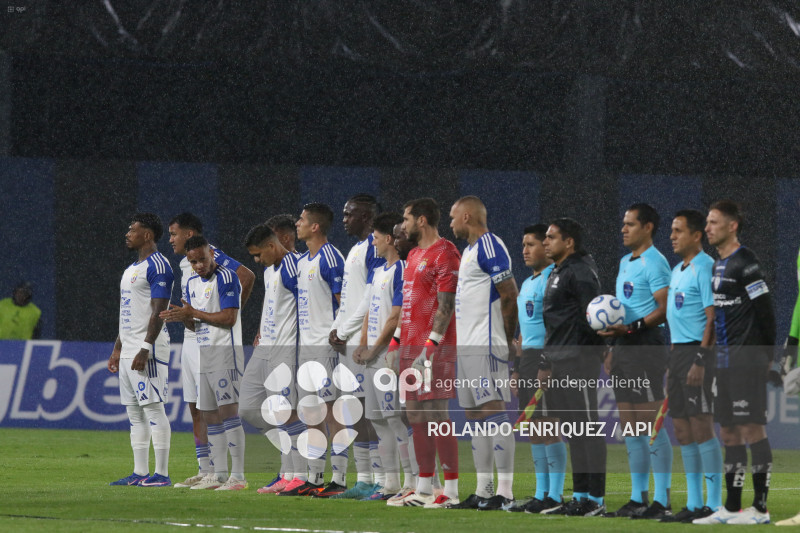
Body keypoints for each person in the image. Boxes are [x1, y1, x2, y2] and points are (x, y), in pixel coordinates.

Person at [693, 200, 776, 525]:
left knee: (751, 428)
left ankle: (761, 508)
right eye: (707, 223)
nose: (708, 228)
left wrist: (766, 357)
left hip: (747, 361)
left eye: (713, 223)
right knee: (728, 433)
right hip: (724, 364)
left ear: (732, 226)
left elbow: (766, 313)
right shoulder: (717, 265)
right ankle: (731, 507)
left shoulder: (747, 263)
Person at [166, 212, 254, 489]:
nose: (198, 264)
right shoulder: (190, 278)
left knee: (227, 412)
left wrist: (221, 312)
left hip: (223, 351)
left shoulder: (225, 275)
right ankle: (213, 473)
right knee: (206, 413)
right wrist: (185, 316)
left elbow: (230, 314)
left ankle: (237, 475)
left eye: (173, 233)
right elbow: (194, 322)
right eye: (194, 261)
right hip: (200, 348)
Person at [445, 196, 518, 511]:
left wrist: (508, 336)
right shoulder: (470, 251)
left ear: (467, 215)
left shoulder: (490, 245)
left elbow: (509, 293)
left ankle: (505, 493)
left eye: (452, 217)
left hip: (487, 343)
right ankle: (483, 490)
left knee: (493, 410)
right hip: (468, 347)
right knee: (475, 416)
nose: (450, 224)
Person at [599, 203, 672, 519]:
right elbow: (622, 310)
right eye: (623, 224)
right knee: (630, 424)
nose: (623, 229)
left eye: (630, 224)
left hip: (647, 347)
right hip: (626, 348)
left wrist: (632, 329)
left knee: (649, 420)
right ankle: (637, 497)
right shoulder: (625, 262)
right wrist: (614, 345)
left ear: (648, 227)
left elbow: (665, 308)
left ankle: (662, 498)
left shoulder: (656, 263)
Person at [394, 197, 461, 508]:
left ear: (421, 220)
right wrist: (395, 345)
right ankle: (424, 489)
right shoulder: (414, 255)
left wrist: (430, 347)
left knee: (437, 416)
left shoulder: (446, 253)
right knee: (415, 415)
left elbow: (446, 305)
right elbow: (407, 305)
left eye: (406, 219)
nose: (403, 226)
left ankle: (451, 490)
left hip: (435, 350)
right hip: (409, 348)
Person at [539, 218, 606, 516]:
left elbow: (595, 319)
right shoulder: (559, 270)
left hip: (579, 362)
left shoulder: (580, 271)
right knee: (575, 431)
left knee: (587, 429)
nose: (545, 242)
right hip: (560, 362)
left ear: (569, 242)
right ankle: (580, 495)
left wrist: (593, 356)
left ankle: (597, 499)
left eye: (551, 237)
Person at [659, 210, 722, 523]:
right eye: (671, 230)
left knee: (701, 425)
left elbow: (712, 317)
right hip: (679, 354)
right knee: (682, 430)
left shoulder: (705, 267)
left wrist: (700, 359)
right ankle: (694, 503)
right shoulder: (676, 270)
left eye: (678, 230)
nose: (672, 236)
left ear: (696, 235)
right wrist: (673, 361)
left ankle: (714, 503)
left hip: (699, 354)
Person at [108, 213, 174, 487]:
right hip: (128, 349)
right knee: (135, 412)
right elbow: (128, 313)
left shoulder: (159, 265)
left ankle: (161, 474)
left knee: (153, 408)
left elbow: (160, 309)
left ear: (147, 235)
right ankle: (140, 472)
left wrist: (145, 348)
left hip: (149, 348)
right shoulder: (130, 269)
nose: (128, 233)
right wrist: (117, 349)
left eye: (133, 229)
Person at [287, 202, 346, 497]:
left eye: (301, 219)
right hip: (305, 348)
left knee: (333, 414)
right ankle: (314, 478)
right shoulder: (301, 262)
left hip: (326, 348)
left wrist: (340, 334)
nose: (297, 223)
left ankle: (340, 479)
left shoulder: (331, 257)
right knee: (310, 414)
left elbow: (342, 300)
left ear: (315, 226)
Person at [328, 194, 386, 499]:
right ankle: (364, 478)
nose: (345, 219)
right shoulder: (355, 251)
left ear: (365, 216)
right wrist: (336, 328)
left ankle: (379, 478)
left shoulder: (374, 251)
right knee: (356, 410)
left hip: (365, 340)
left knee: (371, 411)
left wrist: (347, 330)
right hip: (350, 339)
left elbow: (370, 298)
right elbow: (349, 299)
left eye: (350, 214)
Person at [241, 223, 304, 495]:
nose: (257, 260)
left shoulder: (292, 265)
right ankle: (289, 469)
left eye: (258, 254)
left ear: (271, 245)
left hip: (285, 348)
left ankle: (295, 474)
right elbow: (273, 304)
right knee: (248, 407)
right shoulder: (269, 270)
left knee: (285, 412)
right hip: (264, 345)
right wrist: (260, 329)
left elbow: (307, 304)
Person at [353, 211, 413, 501]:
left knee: (395, 419)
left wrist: (375, 350)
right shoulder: (378, 271)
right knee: (376, 419)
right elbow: (370, 313)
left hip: (389, 356)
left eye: (376, 238)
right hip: (373, 357)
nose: (373, 243)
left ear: (389, 239)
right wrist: (363, 344)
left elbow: (394, 318)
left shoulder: (401, 269)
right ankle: (390, 483)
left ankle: (412, 481)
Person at [507, 224, 560, 514]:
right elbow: (524, 330)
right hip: (527, 359)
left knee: (549, 425)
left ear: (547, 247)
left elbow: (557, 325)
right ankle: (541, 493)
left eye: (532, 244)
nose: (525, 250)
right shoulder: (528, 283)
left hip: (546, 358)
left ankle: (555, 494)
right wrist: (516, 368)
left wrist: (546, 363)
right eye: (524, 244)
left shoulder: (554, 281)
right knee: (534, 426)